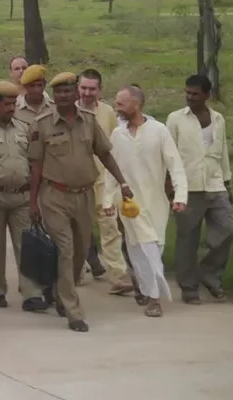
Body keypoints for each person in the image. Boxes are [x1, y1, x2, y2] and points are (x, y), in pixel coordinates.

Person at [28, 72, 133, 333]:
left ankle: (62, 290)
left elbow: (105, 154)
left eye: (68, 91)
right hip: (54, 196)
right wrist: (32, 203)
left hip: (85, 195)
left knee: (79, 251)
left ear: (76, 94)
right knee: (65, 249)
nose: (64, 96)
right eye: (59, 92)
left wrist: (123, 182)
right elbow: (36, 167)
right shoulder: (41, 124)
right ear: (54, 95)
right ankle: (73, 311)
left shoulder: (89, 121)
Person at [108, 86, 188, 317]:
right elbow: (110, 171)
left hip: (157, 203)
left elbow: (176, 166)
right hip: (130, 205)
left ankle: (144, 286)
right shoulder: (117, 134)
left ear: (137, 104)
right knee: (145, 250)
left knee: (150, 249)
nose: (116, 107)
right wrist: (106, 201)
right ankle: (155, 299)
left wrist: (180, 197)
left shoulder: (159, 131)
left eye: (121, 103)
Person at [0, 81, 47, 312]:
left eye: (14, 104)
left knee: (26, 245)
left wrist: (35, 198)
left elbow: (35, 163)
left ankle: (31, 293)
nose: (11, 108)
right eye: (6, 104)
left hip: (22, 196)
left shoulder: (25, 127)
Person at [166, 73, 233, 305]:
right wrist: (171, 188)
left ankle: (209, 274)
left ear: (207, 95)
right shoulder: (176, 119)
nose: (190, 97)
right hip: (187, 187)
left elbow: (223, 151)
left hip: (215, 185)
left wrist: (227, 181)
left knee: (227, 230)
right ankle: (188, 287)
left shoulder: (218, 119)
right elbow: (168, 155)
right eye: (187, 93)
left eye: (195, 94)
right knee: (188, 239)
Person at [78, 69, 132, 293]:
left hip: (102, 181)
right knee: (78, 230)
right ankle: (76, 272)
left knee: (110, 228)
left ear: (100, 90)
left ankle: (117, 277)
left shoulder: (108, 112)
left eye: (92, 88)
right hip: (77, 182)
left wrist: (120, 181)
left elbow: (114, 148)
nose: (87, 93)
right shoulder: (68, 111)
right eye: (83, 88)